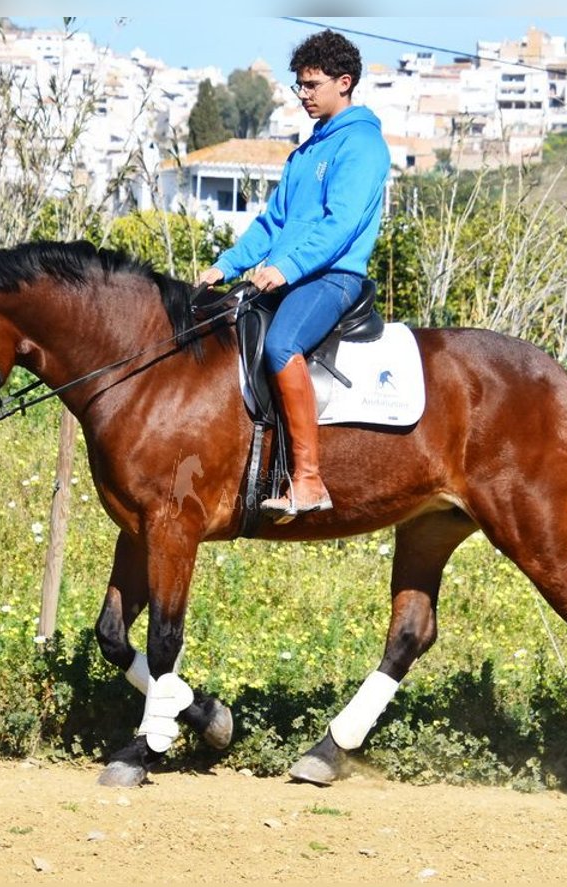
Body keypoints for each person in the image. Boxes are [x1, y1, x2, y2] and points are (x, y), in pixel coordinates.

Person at [196, 29, 390, 521]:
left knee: (282, 345)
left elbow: (340, 225)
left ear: (344, 83)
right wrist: (226, 264)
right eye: (298, 85)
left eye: (312, 85)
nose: (302, 94)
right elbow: (272, 224)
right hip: (294, 276)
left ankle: (307, 479)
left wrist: (284, 267)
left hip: (333, 277)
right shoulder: (305, 153)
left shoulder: (363, 144)